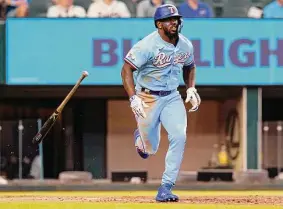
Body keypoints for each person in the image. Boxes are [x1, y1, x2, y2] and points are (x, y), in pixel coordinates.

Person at [121, 4, 201, 202]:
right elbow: (126, 70)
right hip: (147, 97)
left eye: (175, 18)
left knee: (179, 136)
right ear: (159, 24)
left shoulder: (185, 44)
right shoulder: (147, 45)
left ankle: (166, 186)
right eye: (168, 19)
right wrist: (133, 97)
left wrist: (190, 87)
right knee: (151, 149)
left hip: (172, 96)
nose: (174, 22)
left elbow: (190, 66)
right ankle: (141, 139)